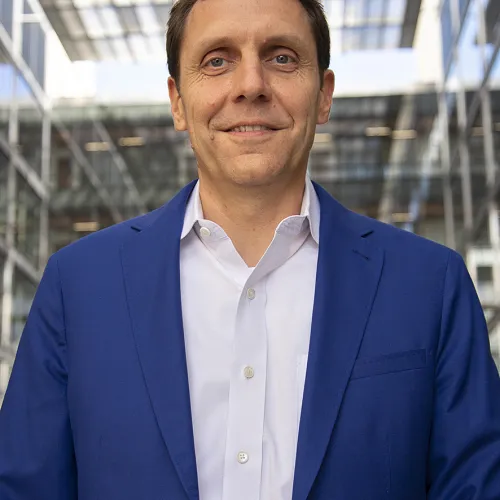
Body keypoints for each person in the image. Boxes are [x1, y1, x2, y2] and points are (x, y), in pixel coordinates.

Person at [1, 0, 500, 498]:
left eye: (282, 57)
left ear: (323, 95)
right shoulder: (78, 287)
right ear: (177, 101)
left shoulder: (429, 285)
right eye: (217, 60)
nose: (250, 85)